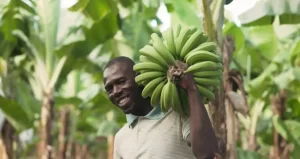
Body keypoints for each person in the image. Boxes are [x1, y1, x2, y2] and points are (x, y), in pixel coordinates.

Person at [103, 56, 218, 159]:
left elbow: (206, 153)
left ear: (139, 78)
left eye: (121, 82)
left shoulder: (178, 111)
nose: (116, 92)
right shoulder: (120, 138)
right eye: (109, 89)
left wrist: (191, 88)